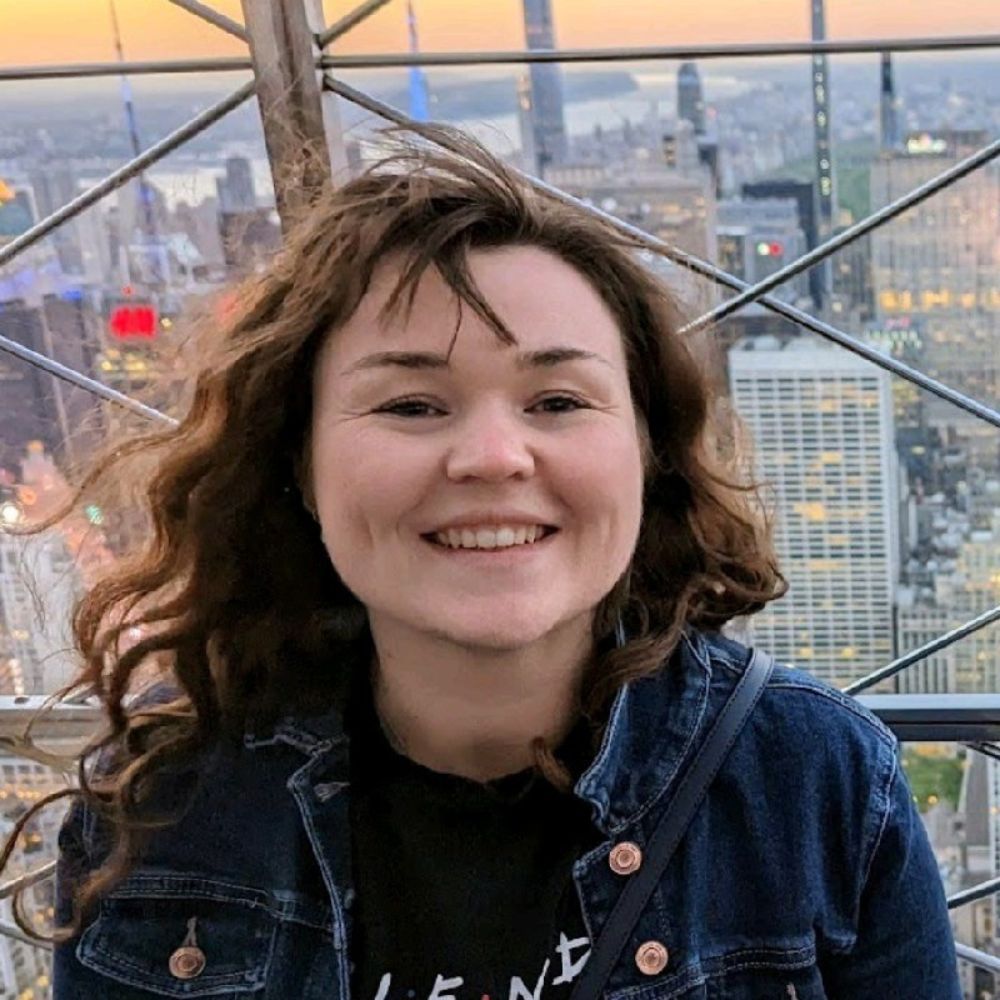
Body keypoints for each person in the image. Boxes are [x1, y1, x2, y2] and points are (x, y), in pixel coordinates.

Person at [5, 125, 959, 998]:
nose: (495, 457)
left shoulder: (816, 788)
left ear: (647, 451)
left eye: (557, 402)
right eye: (412, 405)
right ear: (297, 462)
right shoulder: (168, 804)